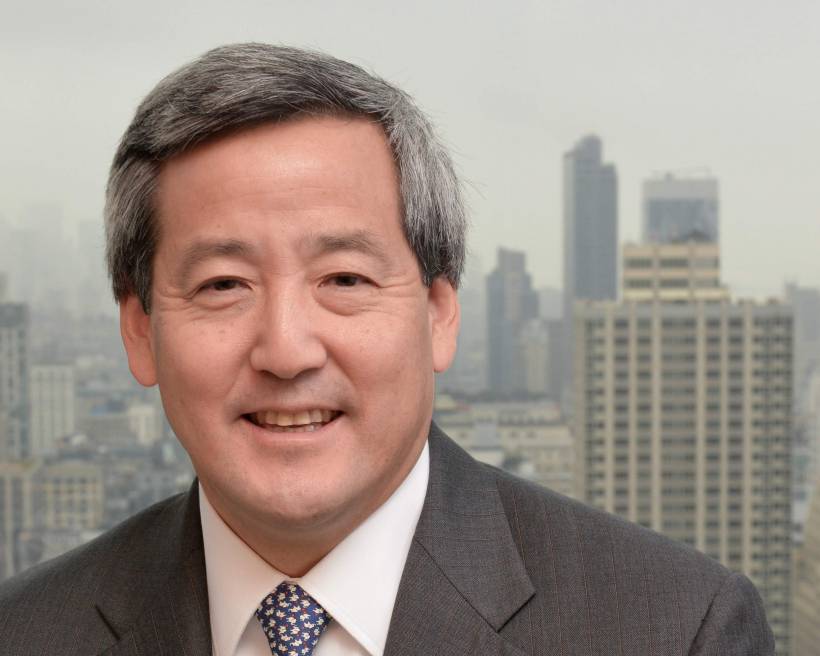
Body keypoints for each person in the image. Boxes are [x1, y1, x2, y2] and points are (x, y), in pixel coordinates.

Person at [0, 43, 773, 656]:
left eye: (344, 278)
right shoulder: (26, 632)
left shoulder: (673, 630)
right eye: (223, 285)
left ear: (439, 313)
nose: (286, 350)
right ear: (139, 330)